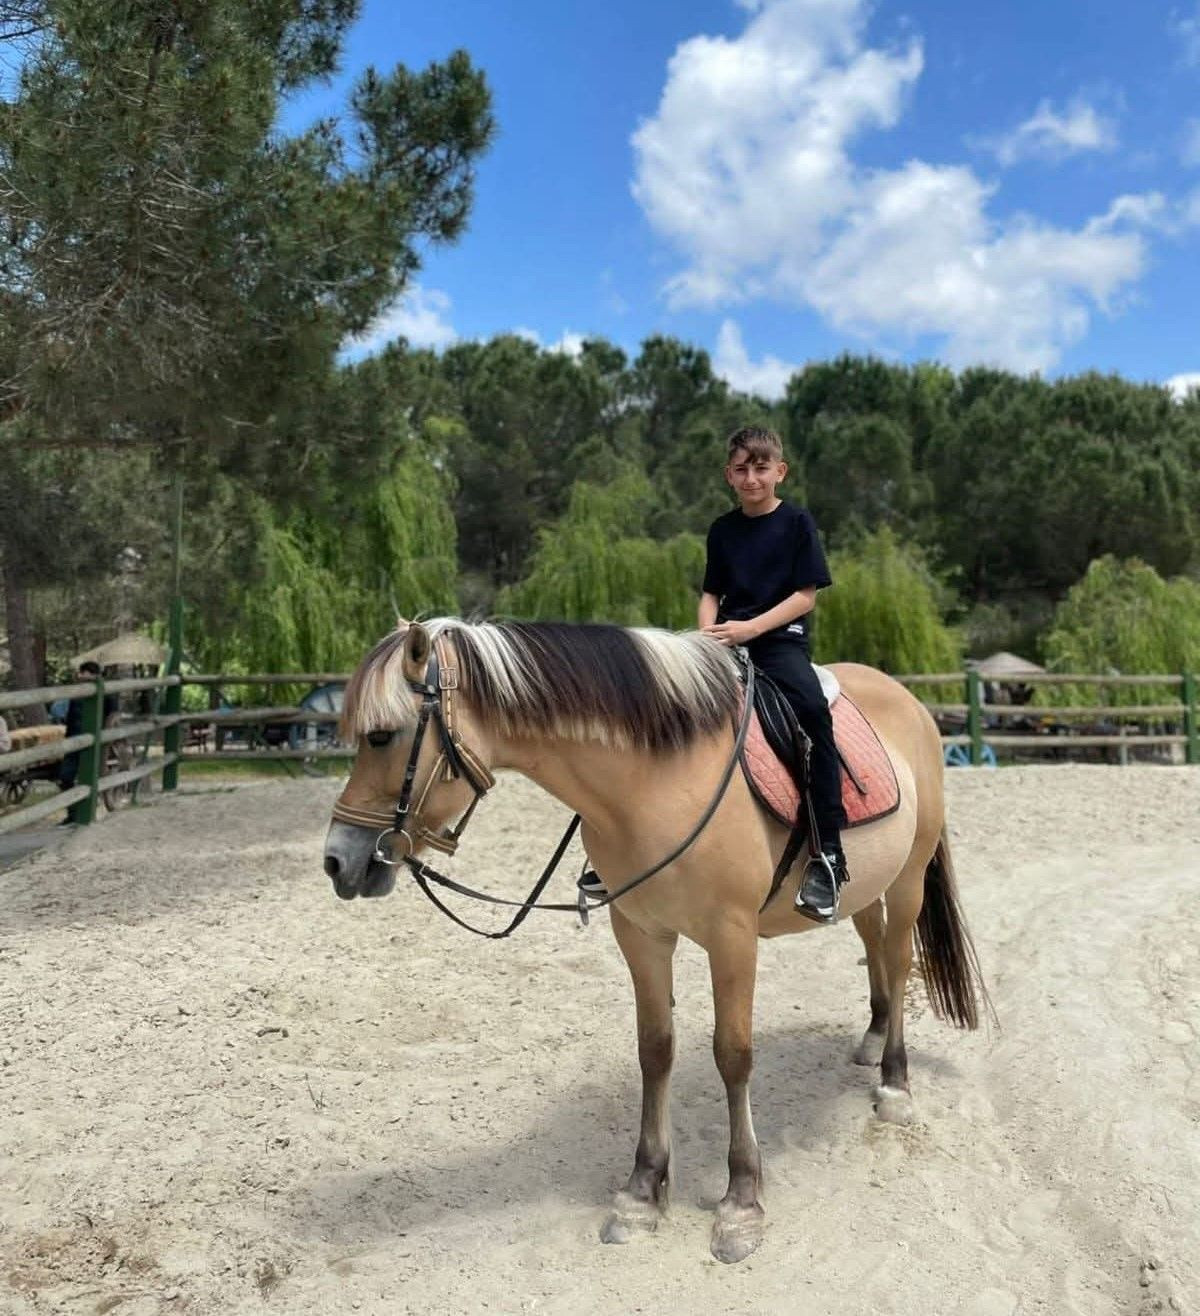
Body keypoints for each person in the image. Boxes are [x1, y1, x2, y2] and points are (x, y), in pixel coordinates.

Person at [699, 425, 848, 922]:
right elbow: (710, 593)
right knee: (658, 701)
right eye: (741, 469)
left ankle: (828, 854)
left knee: (812, 718)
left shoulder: (797, 524)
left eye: (761, 468)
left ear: (779, 471)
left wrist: (749, 630)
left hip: (779, 642)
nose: (751, 477)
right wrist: (708, 636)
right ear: (729, 475)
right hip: (724, 640)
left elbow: (805, 595)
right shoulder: (722, 529)